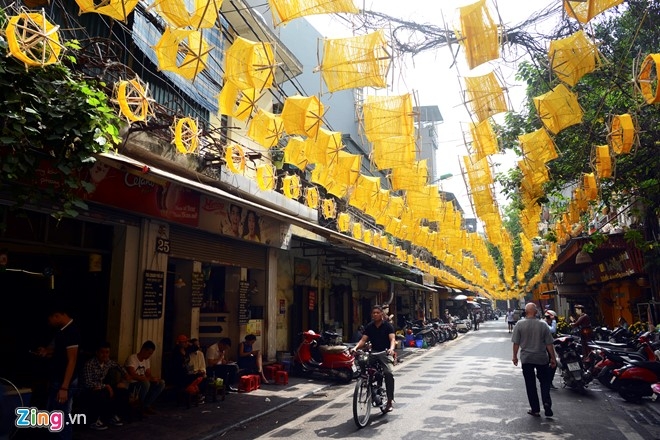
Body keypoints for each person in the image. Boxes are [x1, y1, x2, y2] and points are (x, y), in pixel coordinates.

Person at [36, 303, 80, 440]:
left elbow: (71, 360)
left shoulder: (71, 332)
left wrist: (64, 387)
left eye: (50, 319)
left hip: (64, 382)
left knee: (60, 416)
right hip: (58, 380)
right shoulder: (62, 331)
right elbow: (60, 352)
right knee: (54, 415)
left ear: (57, 316)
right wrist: (47, 351)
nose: (50, 323)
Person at [511, 302, 557, 418]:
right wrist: (553, 358)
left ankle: (535, 409)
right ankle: (546, 403)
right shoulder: (543, 325)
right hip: (541, 358)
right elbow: (549, 344)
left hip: (527, 359)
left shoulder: (519, 324)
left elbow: (516, 343)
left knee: (530, 384)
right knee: (545, 382)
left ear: (526, 312)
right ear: (536, 312)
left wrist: (514, 356)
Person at [353, 305, 396, 412]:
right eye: (373, 313)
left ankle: (390, 400)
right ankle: (367, 383)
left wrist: (391, 349)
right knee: (362, 361)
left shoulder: (388, 326)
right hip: (373, 352)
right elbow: (363, 340)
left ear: (382, 314)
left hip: (384, 352)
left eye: (377, 312)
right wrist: (355, 347)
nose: (375, 314)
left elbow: (392, 339)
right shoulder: (370, 326)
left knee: (388, 373)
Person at [81, 341, 128, 430]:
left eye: (107, 352)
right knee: (101, 394)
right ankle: (94, 421)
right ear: (97, 353)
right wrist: (105, 386)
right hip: (89, 390)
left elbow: (118, 366)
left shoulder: (108, 362)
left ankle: (112, 415)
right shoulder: (89, 364)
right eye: (102, 352)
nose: (105, 355)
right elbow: (87, 383)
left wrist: (125, 376)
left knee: (122, 392)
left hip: (103, 388)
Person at [124, 340, 166, 415]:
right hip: (132, 384)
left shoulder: (146, 360)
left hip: (143, 382)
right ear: (143, 350)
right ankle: (140, 407)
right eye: (149, 353)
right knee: (146, 383)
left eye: (151, 354)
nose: (149, 355)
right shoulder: (132, 358)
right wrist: (148, 379)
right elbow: (132, 374)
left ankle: (146, 405)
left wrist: (154, 379)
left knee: (161, 383)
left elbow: (148, 374)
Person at [543, 310, 558, 390]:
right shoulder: (544, 324)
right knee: (553, 364)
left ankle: (548, 381)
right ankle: (548, 382)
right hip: (544, 348)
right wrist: (554, 321)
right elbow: (552, 330)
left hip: (544, 347)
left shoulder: (543, 323)